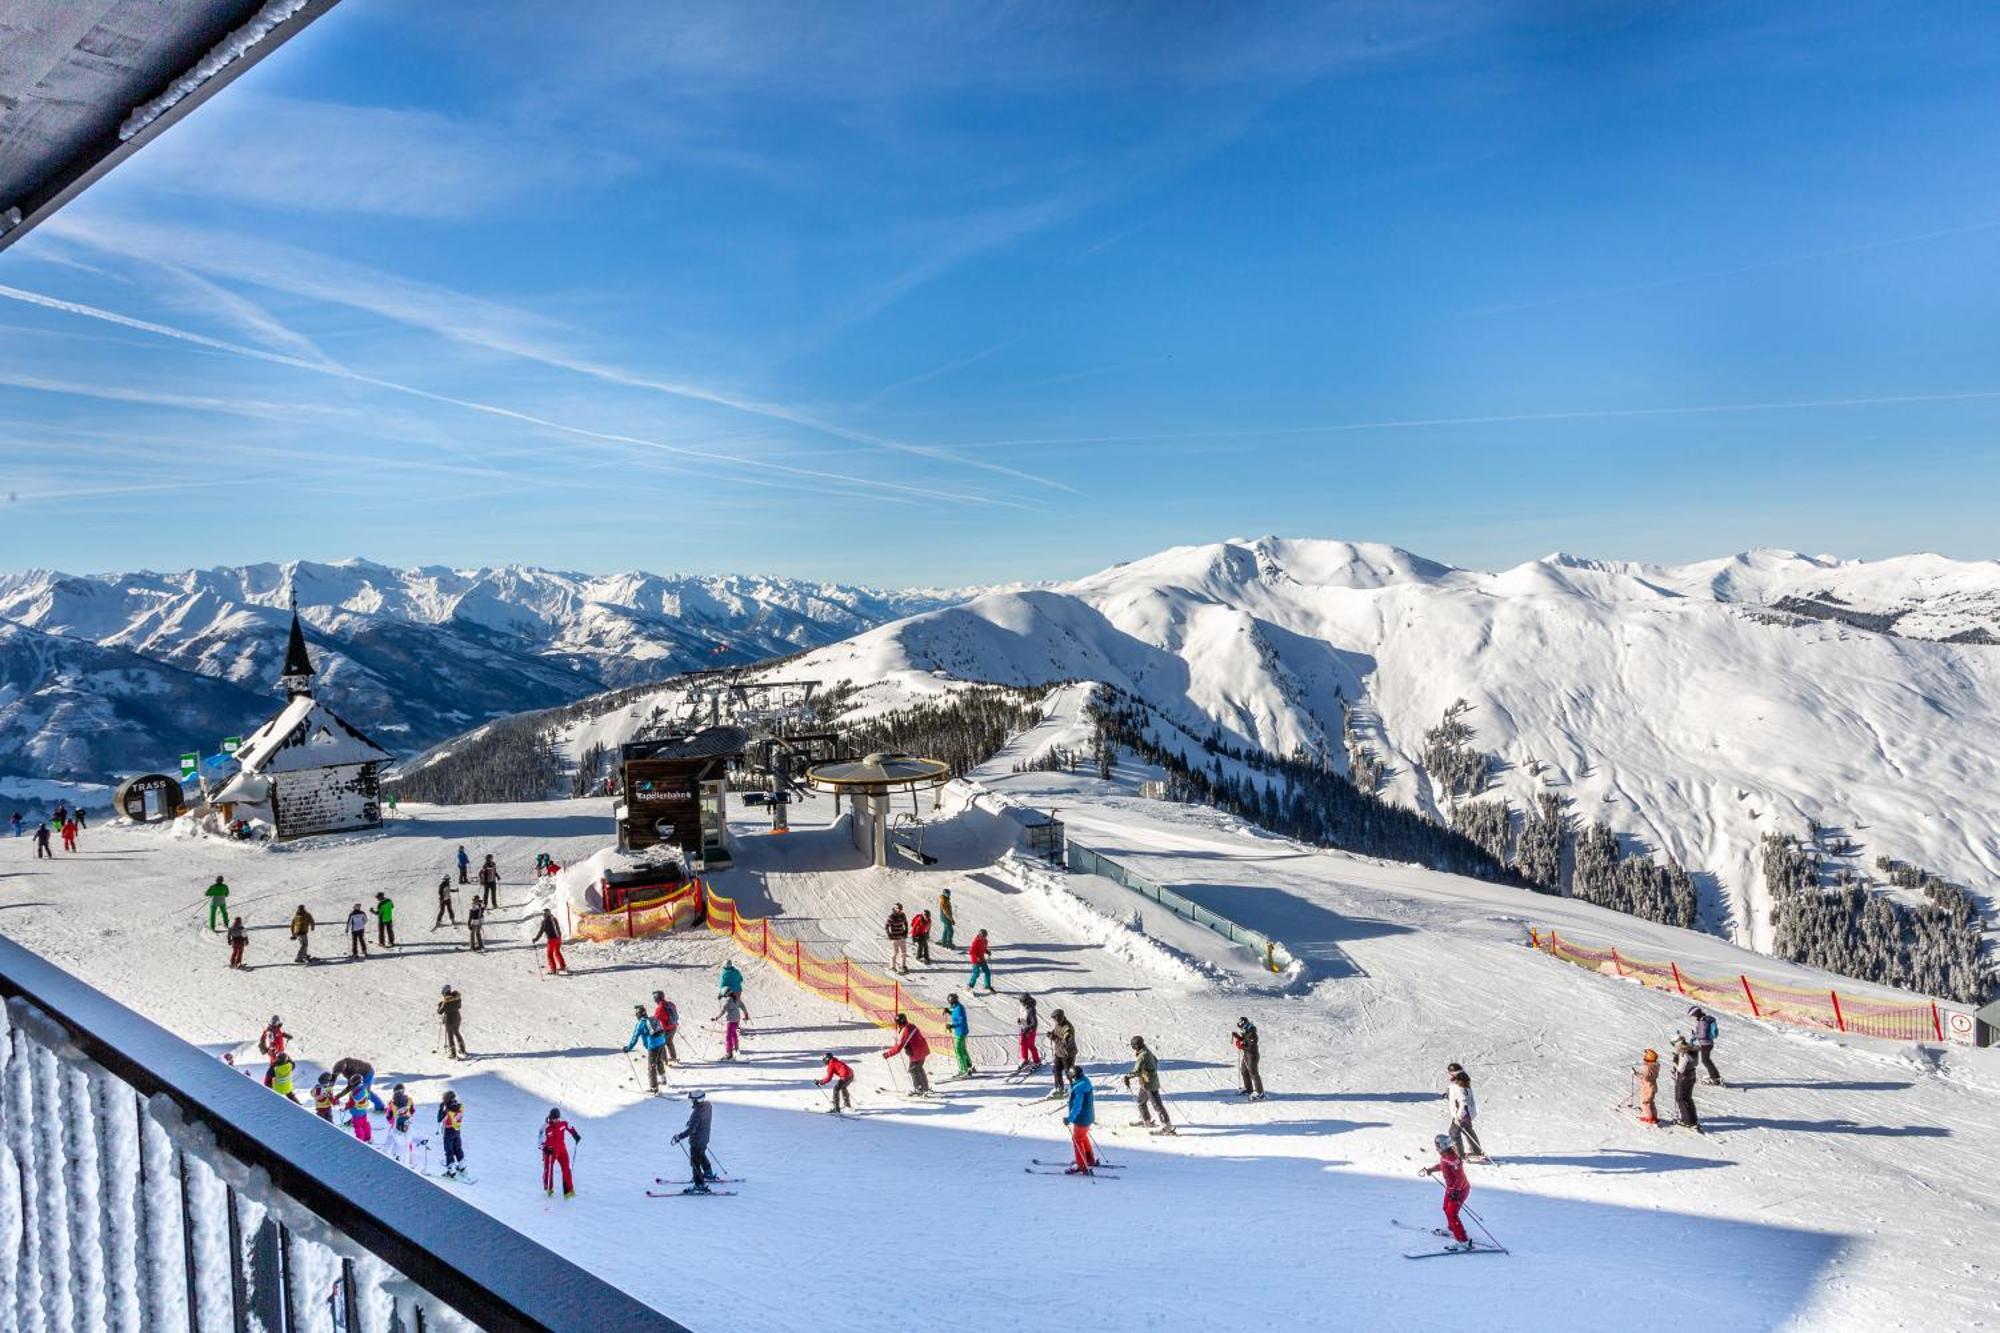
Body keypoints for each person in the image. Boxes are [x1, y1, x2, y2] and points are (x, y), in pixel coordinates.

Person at [1418, 1134, 1474, 1250]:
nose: (1436, 1147)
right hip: (1452, 1189)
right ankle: (1452, 1228)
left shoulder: (1453, 1159)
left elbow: (1460, 1178)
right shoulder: (1445, 1156)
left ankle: (1462, 1239)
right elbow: (1443, 1165)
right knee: (1445, 1208)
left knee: (1452, 1213)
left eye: (1437, 1145)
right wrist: (1432, 1169)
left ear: (1443, 1145)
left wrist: (1456, 1191)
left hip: (1460, 1190)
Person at [1125, 1036, 1172, 1134]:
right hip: (1145, 1083)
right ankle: (1146, 1120)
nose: (1133, 1048)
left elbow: (1137, 1071)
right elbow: (1155, 1060)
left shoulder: (1142, 1055)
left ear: (1137, 1046)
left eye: (1133, 1046)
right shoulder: (1146, 1051)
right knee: (1141, 1102)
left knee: (1157, 1105)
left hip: (1149, 1084)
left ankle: (1167, 1126)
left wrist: (1127, 1077)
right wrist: (1149, 1071)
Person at [670, 1090, 714, 1191]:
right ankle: (708, 1172)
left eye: (692, 1100)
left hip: (697, 1141)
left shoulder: (696, 1113)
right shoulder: (708, 1105)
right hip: (705, 1138)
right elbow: (701, 1119)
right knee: (701, 1155)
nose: (691, 1102)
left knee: (695, 1163)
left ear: (696, 1100)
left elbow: (691, 1130)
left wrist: (679, 1137)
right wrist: (691, 1122)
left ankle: (699, 1184)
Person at [884, 1012, 931, 1096]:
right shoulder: (912, 1026)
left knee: (913, 1069)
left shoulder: (906, 1031)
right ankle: (925, 1087)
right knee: (919, 1068)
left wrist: (888, 1054)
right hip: (923, 1050)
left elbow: (898, 1048)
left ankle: (919, 1088)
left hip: (917, 1053)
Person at [626, 1003, 669, 1092]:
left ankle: (654, 1088)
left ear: (637, 1015)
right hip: (662, 1042)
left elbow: (635, 1038)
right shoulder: (653, 1018)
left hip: (653, 1046)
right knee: (659, 1061)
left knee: (651, 1067)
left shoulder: (641, 1023)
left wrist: (628, 1048)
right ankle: (663, 1079)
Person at [1063, 1068, 1099, 1174]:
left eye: (1070, 1074)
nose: (1069, 1076)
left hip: (1081, 1118)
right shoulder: (1085, 1081)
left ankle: (1082, 1165)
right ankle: (1089, 1159)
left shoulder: (1079, 1087)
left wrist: (1070, 1118)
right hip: (1088, 1116)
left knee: (1077, 1139)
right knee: (1082, 1137)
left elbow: (1077, 1105)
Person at [1446, 1063, 1484, 1160]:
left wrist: (1459, 1117)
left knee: (1454, 1133)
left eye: (1450, 1073)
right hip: (1468, 1112)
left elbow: (1463, 1102)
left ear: (1454, 1073)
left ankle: (1460, 1155)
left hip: (1463, 1113)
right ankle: (1477, 1151)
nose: (1449, 1075)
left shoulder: (1459, 1085)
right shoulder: (1463, 1081)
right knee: (1468, 1130)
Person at [540, 1108, 581, 1197]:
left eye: (557, 1118)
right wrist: (545, 1148)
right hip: (550, 1152)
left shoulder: (563, 1122)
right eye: (554, 1118)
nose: (556, 1120)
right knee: (549, 1170)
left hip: (562, 1150)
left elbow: (570, 1127)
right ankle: (549, 1189)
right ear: (551, 1117)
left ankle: (568, 1191)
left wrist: (575, 1135)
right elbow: (539, 1141)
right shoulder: (545, 1127)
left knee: (566, 1169)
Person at [1045, 1009, 1078, 1098]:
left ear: (1059, 1018)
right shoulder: (1058, 1024)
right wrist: (1051, 1033)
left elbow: (1065, 1043)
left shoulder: (1068, 1029)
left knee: (1069, 1073)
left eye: (1055, 1019)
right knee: (1056, 1070)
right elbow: (1056, 1031)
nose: (1054, 1021)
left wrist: (1054, 1038)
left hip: (1068, 1055)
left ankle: (1076, 1089)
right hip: (1059, 1053)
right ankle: (1059, 1089)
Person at [1671, 1037, 1701, 1132]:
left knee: (1680, 1098)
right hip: (1691, 1075)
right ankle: (1693, 1119)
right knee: (1687, 1097)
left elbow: (1681, 1069)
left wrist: (1675, 1062)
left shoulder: (1683, 1054)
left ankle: (1687, 1121)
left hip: (1684, 1077)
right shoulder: (1691, 1050)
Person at [1688, 1006, 1723, 1086]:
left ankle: (1715, 1078)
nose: (1693, 1017)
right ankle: (1715, 1076)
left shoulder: (1702, 1022)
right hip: (1707, 1043)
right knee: (1706, 1060)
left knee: (1706, 1061)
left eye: (1693, 1015)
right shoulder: (1704, 1020)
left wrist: (1695, 1035)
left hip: (1706, 1044)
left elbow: (1703, 1034)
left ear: (1696, 1014)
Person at [1233, 1017, 1266, 1100]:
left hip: (1252, 1055)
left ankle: (1260, 1093)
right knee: (1244, 1071)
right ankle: (1249, 1089)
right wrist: (1238, 1037)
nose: (1240, 1029)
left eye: (1241, 1027)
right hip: (1246, 1054)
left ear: (1245, 1025)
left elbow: (1251, 1046)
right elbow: (1245, 1040)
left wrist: (1242, 1045)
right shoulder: (1247, 1031)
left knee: (1253, 1073)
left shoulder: (1252, 1033)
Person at [714, 991, 750, 1061]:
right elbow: (742, 1006)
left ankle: (729, 1054)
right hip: (737, 1021)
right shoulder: (736, 999)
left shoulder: (728, 1002)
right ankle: (736, 1048)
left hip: (731, 1021)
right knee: (733, 1034)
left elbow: (723, 1011)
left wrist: (716, 1018)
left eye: (724, 995)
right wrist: (746, 1014)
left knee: (728, 1037)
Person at [438, 1091, 467, 1178]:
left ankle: (451, 1171)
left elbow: (440, 1119)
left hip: (449, 1131)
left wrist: (441, 1109)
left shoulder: (447, 1109)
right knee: (458, 1148)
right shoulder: (459, 1106)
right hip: (457, 1130)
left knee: (449, 1150)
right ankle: (462, 1166)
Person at [386, 1085, 417, 1164]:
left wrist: (391, 1122)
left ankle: (393, 1154)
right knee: (408, 1136)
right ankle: (409, 1155)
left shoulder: (392, 1103)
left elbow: (388, 1116)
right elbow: (413, 1110)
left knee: (395, 1138)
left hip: (396, 1124)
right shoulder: (409, 1100)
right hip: (407, 1122)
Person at [946, 993, 974, 1077]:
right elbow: (956, 1015)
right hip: (961, 1031)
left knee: (958, 1050)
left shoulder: (958, 1008)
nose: (950, 1004)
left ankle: (963, 1070)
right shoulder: (957, 1007)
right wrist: (948, 1012)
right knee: (962, 1048)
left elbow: (961, 1020)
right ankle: (969, 1066)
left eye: (951, 1002)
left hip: (960, 1031)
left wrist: (952, 1026)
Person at [651, 991, 682, 1063]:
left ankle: (664, 1060)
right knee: (669, 1041)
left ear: (656, 999)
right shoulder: (670, 1004)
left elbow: (655, 1020)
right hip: (673, 1027)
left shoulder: (660, 1009)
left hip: (666, 1029)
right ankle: (673, 1057)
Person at [533, 909, 567, 974]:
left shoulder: (545, 922)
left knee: (549, 954)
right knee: (557, 952)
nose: (543, 915)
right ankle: (563, 966)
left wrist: (536, 939)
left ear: (545, 914)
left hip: (551, 940)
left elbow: (541, 932)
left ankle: (553, 969)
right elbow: (558, 928)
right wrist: (559, 937)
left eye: (543, 914)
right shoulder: (554, 919)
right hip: (558, 939)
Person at [1633, 1049, 1661, 1125]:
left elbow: (1645, 1077)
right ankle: (1654, 1116)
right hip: (1652, 1087)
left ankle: (1649, 1117)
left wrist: (1636, 1074)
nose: (1644, 1056)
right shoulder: (1655, 1065)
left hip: (1647, 1087)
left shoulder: (1647, 1067)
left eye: (1645, 1055)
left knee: (1644, 1102)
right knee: (1651, 1102)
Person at [439, 985, 467, 1059]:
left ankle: (453, 1053)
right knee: (457, 1032)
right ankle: (463, 1049)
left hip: (449, 1019)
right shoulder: (457, 998)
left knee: (450, 1035)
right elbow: (459, 1006)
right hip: (457, 1018)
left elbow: (440, 1011)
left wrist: (440, 1005)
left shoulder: (445, 1001)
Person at [1016, 994, 1043, 1072]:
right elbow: (1022, 1015)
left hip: (1030, 1030)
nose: (1020, 1003)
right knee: (1023, 1044)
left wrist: (1028, 1028)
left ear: (1026, 1002)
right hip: (1023, 1028)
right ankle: (1024, 1059)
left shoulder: (1031, 1009)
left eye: (1021, 1001)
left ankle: (1037, 1061)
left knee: (1030, 1045)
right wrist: (1020, 1019)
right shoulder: (1022, 1007)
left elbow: (1034, 1023)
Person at [966, 929, 994, 993]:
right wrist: (977, 957)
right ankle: (970, 985)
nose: (984, 937)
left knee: (987, 972)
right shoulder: (976, 942)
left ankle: (987, 985)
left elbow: (983, 949)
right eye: (983, 936)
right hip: (975, 960)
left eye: (985, 936)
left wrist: (987, 952)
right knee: (976, 973)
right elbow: (971, 952)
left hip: (982, 959)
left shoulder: (985, 941)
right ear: (980, 935)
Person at [885, 903, 910, 974]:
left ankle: (903, 965)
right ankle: (892, 966)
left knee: (904, 952)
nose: (900, 910)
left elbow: (906, 923)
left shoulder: (902, 915)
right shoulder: (891, 916)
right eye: (898, 909)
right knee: (895, 952)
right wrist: (889, 934)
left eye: (901, 909)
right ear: (895, 909)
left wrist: (906, 931)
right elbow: (886, 926)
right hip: (894, 937)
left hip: (901, 936)